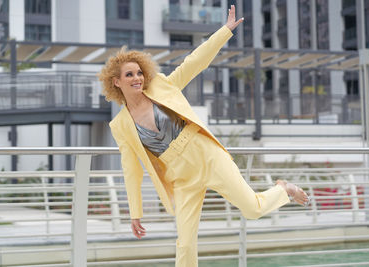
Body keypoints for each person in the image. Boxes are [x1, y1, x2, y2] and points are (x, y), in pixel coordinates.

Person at [99, 5, 309, 267]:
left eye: (139, 72)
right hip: (181, 178)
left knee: (253, 209)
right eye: (129, 75)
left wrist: (224, 32)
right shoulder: (120, 124)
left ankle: (282, 189)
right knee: (185, 244)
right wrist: (135, 212)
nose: (137, 78)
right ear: (116, 82)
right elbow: (131, 169)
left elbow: (193, 63)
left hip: (207, 156)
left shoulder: (160, 86)